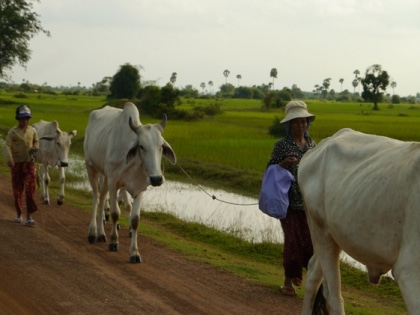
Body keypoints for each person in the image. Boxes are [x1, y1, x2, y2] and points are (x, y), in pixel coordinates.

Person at [266, 100, 316, 296]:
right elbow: (270, 170)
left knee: (311, 242)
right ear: (289, 125)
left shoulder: (312, 145)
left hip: (309, 203)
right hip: (287, 202)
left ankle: (309, 281)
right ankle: (288, 281)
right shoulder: (281, 145)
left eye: (303, 122)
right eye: (296, 122)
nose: (300, 126)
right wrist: (283, 164)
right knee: (293, 241)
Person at [4, 104, 39, 225]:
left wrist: (35, 147)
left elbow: (36, 141)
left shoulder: (33, 131)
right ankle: (19, 214)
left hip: (30, 163)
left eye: (27, 118)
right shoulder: (12, 132)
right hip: (17, 164)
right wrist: (10, 159)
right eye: (23, 118)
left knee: (30, 189)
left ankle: (29, 217)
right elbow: (7, 146)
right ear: (18, 118)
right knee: (18, 189)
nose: (25, 121)